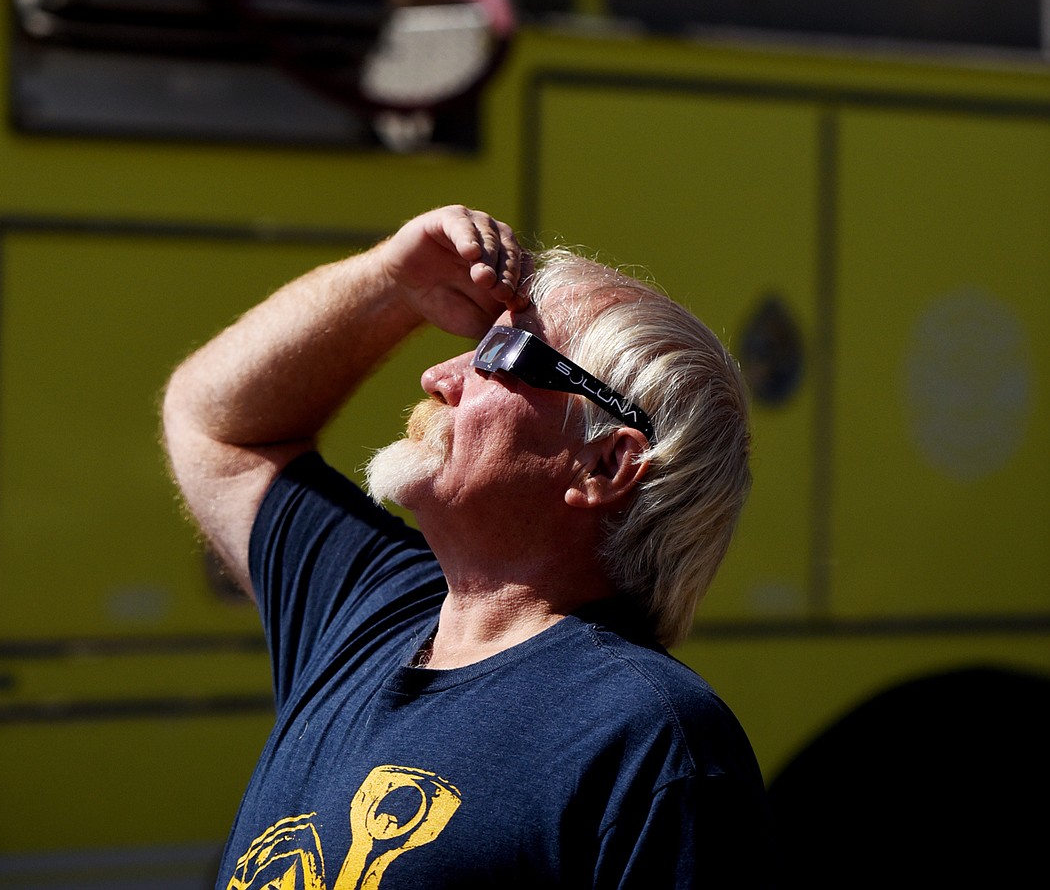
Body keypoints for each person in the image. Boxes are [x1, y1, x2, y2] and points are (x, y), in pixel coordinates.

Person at [162, 204, 774, 889]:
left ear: (604, 465)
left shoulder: (651, 741)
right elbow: (217, 427)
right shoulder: (370, 609)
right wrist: (390, 284)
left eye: (502, 355)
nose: (439, 377)